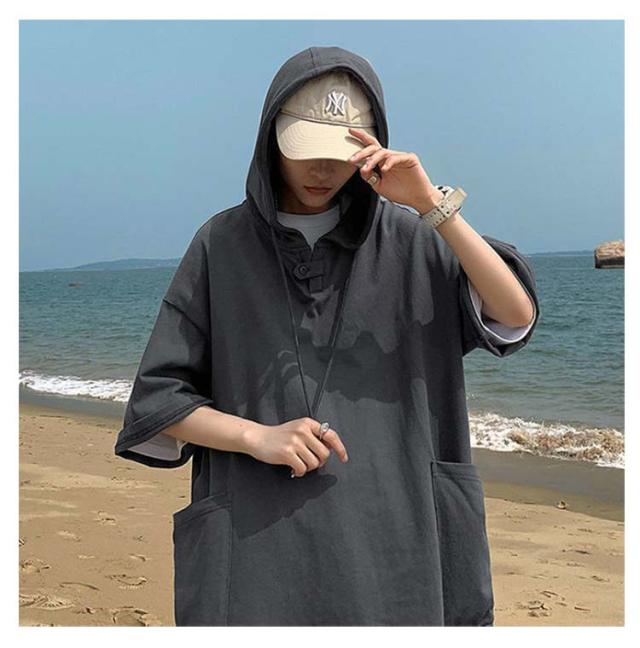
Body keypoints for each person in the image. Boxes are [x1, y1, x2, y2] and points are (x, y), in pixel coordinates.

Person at [114, 46, 539, 627]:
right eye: (304, 152)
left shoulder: (413, 239)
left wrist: (430, 204)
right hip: (258, 538)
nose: (321, 170)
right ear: (270, 141)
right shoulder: (222, 244)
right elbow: (158, 402)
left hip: (403, 536)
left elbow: (514, 314)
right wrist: (257, 437)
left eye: (338, 154)